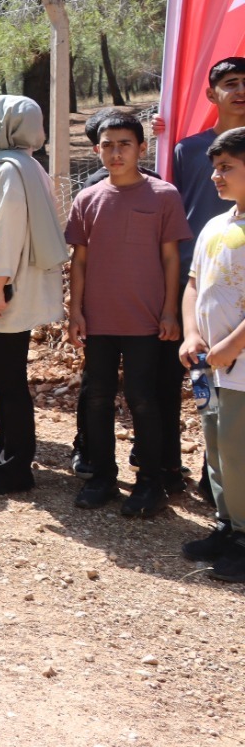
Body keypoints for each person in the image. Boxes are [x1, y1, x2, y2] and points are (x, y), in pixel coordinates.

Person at [65, 112, 189, 516]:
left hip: (147, 320)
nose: (115, 153)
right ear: (97, 149)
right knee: (97, 396)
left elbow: (172, 259)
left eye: (124, 144)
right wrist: (75, 311)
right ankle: (102, 476)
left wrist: (170, 311)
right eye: (107, 145)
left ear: (141, 147)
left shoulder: (163, 194)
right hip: (99, 320)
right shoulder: (88, 197)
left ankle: (150, 483)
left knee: (143, 399)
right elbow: (78, 261)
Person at [0, 95, 70, 497]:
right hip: (13, 290)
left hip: (7, 293)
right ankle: (4, 458)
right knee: (5, 380)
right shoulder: (27, 167)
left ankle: (14, 468)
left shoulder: (8, 172)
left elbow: (3, 236)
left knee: (7, 383)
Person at [179, 127, 245, 581]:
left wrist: (232, 345)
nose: (216, 177)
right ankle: (228, 525)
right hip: (208, 368)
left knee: (241, 452)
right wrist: (190, 334)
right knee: (217, 449)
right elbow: (194, 284)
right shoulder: (214, 225)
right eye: (215, 168)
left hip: (238, 367)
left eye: (228, 168)